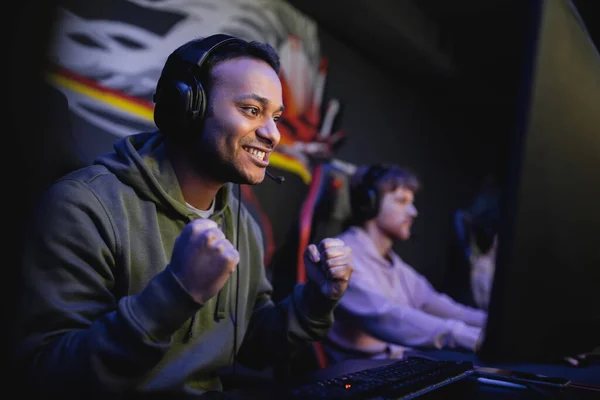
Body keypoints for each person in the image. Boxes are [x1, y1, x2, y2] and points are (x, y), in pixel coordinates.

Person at [11, 33, 354, 399]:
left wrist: (315, 300)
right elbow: (44, 375)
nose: (272, 134)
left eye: (276, 117)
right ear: (186, 107)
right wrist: (175, 294)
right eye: (252, 110)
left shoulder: (243, 224)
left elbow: (252, 342)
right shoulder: (84, 206)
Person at [323, 164, 487, 363]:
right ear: (370, 203)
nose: (413, 212)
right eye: (402, 201)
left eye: (412, 202)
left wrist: (495, 323)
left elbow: (442, 306)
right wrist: (469, 337)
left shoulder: (395, 265)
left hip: (396, 365)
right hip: (358, 375)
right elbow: (386, 316)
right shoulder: (343, 257)